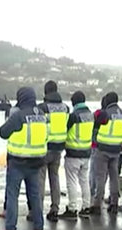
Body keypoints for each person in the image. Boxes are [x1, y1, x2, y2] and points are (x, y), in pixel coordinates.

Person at [0, 87, 47, 230]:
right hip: (37, 161)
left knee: (13, 196)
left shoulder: (19, 115)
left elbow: (3, 133)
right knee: (35, 196)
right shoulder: (43, 116)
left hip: (18, 161)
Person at [90, 92, 122, 215]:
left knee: (100, 177)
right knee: (114, 177)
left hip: (102, 148)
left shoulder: (104, 113)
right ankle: (114, 203)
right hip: (116, 149)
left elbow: (94, 128)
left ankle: (97, 204)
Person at [37, 80, 70, 222]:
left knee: (41, 179)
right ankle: (55, 207)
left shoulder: (42, 107)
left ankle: (37, 210)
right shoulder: (66, 108)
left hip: (45, 146)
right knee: (54, 177)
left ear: (45, 92)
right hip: (59, 147)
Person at [58, 91, 94, 220]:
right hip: (87, 153)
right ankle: (86, 207)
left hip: (73, 153)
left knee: (72, 182)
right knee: (84, 181)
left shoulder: (73, 116)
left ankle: (72, 209)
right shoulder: (91, 115)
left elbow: (65, 130)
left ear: (74, 103)